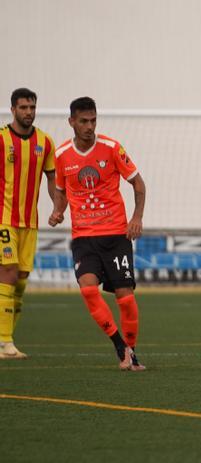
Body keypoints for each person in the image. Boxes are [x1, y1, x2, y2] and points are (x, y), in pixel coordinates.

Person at [49, 97, 146, 370]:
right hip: (84, 237)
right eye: (83, 121)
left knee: (125, 297)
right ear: (72, 122)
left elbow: (138, 183)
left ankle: (133, 352)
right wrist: (58, 211)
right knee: (89, 290)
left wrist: (136, 218)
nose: (89, 126)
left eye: (93, 120)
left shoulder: (112, 148)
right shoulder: (62, 155)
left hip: (116, 235)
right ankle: (120, 346)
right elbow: (61, 191)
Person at [0, 88, 58, 360]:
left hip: (30, 222)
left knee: (21, 281)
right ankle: (4, 342)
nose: (28, 112)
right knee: (8, 272)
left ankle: (5, 336)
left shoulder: (45, 142)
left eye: (32, 107)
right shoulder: (1, 140)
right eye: (23, 107)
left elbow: (51, 178)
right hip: (4, 219)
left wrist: (58, 207)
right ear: (12, 109)